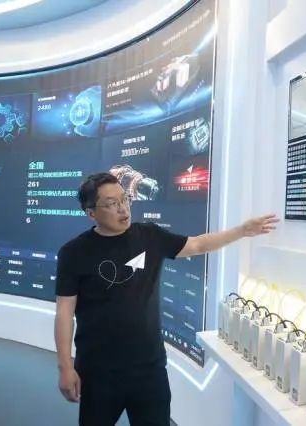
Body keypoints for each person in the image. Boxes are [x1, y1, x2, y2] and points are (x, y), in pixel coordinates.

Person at [54, 172, 278, 426]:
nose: (123, 208)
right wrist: (65, 366)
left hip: (148, 369)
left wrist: (242, 231)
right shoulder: (74, 253)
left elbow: (198, 245)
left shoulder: (149, 236)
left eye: (124, 199)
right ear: (91, 213)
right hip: (98, 371)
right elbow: (64, 312)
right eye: (111, 203)